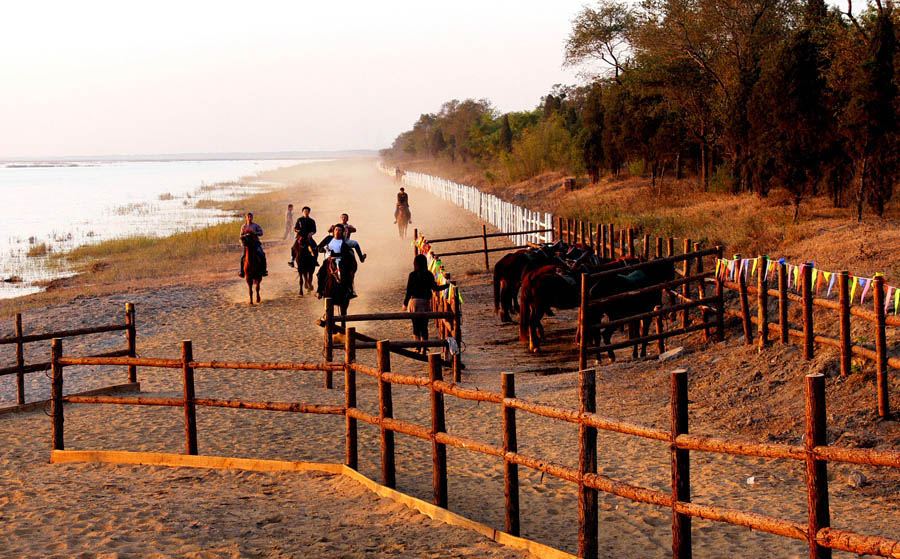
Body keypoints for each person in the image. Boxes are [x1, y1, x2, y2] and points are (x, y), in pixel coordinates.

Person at [403, 254, 449, 346]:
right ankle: (424, 347)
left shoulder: (412, 275)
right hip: (424, 302)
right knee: (424, 326)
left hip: (414, 302)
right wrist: (447, 285)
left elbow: (409, 291)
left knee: (415, 325)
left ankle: (417, 346)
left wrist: (405, 303)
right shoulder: (429, 274)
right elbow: (435, 288)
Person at [316, 224, 366, 298]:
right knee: (320, 274)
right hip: (328, 260)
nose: (337, 232)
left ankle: (350, 291)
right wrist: (322, 249)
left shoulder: (344, 243)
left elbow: (346, 254)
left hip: (340, 261)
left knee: (347, 275)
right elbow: (319, 247)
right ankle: (319, 291)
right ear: (333, 231)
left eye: (339, 230)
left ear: (342, 232)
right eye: (336, 230)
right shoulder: (328, 238)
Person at [239, 212, 267, 277]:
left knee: (262, 254)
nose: (249, 218)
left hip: (255, 244)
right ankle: (242, 271)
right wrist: (245, 236)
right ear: (246, 218)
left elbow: (261, 232)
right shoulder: (243, 226)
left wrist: (255, 233)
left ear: (252, 217)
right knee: (243, 257)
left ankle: (264, 270)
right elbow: (241, 235)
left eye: (251, 217)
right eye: (248, 217)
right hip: (247, 245)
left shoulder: (256, 225)